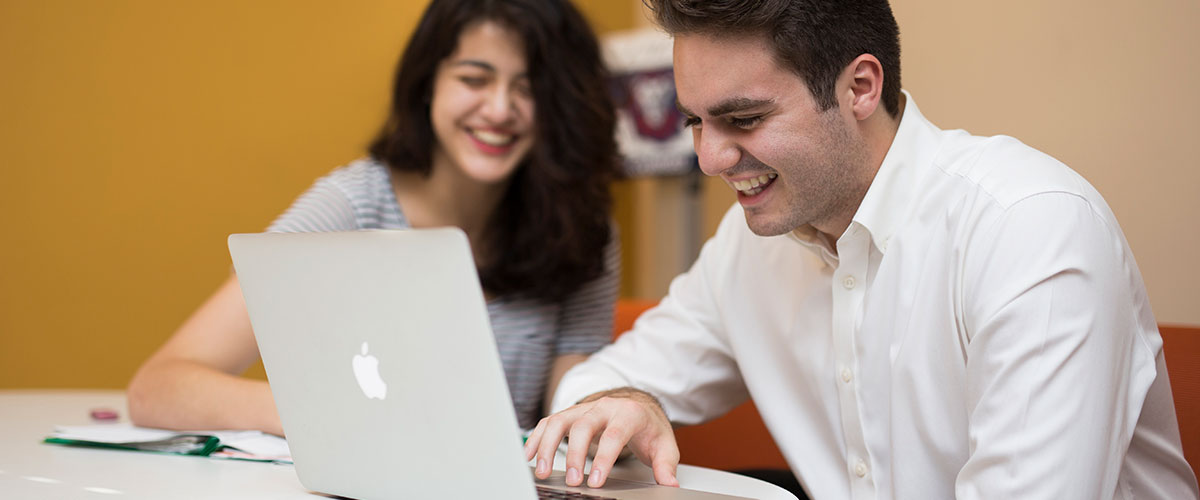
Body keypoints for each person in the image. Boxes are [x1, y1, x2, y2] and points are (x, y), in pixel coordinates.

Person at [524, 1, 1199, 498]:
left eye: (744, 119)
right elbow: (590, 393)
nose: (709, 158)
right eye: (696, 121)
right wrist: (627, 398)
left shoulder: (1029, 229)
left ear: (860, 87)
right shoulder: (753, 243)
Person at [127, 0, 621, 435]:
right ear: (427, 83)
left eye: (528, 89)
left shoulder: (579, 227)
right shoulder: (351, 205)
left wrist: (608, 418)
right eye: (474, 78)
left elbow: (574, 404)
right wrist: (316, 413)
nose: (499, 108)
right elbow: (159, 388)